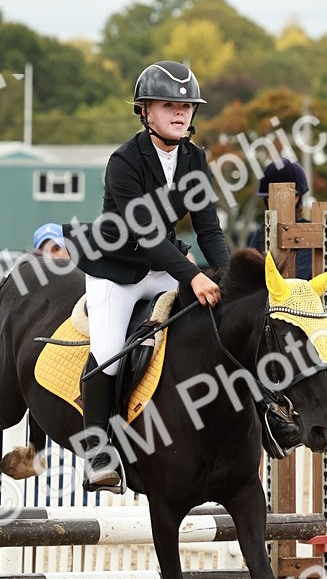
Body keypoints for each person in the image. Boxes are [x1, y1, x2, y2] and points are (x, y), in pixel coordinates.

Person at [63, 60, 228, 492]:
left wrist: (227, 277)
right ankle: (98, 451)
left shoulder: (194, 159)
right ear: (145, 111)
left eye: (186, 106)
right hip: (115, 269)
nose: (180, 113)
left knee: (212, 325)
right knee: (110, 350)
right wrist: (193, 276)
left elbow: (208, 229)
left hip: (162, 267)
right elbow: (147, 233)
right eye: (169, 105)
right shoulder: (124, 160)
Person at [248, 158, 312, 278]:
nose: (271, 201)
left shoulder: (309, 232)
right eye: (268, 197)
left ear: (296, 197)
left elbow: (300, 277)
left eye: (274, 196)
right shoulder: (261, 232)